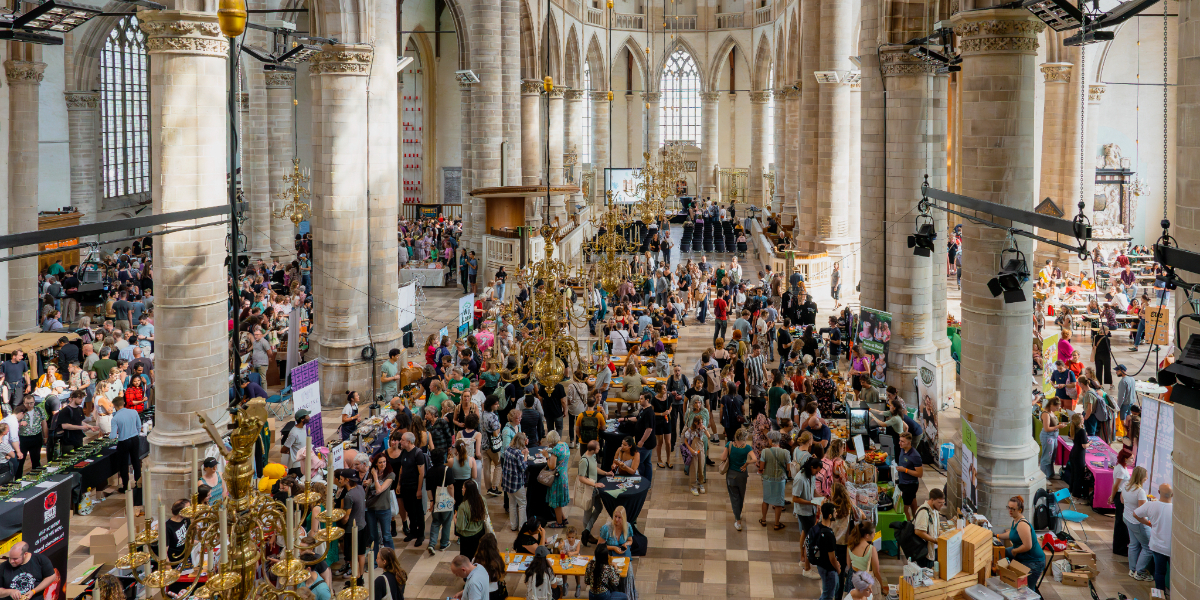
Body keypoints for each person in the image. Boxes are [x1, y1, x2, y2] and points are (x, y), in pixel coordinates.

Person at [994, 495, 1046, 594]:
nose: (1010, 511)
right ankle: (1002, 573)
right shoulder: (1015, 520)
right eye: (1008, 508)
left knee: (1027, 590)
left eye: (1013, 509)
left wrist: (1015, 550)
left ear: (1020, 510)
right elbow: (1011, 534)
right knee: (1004, 552)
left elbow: (1028, 546)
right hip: (1023, 555)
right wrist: (997, 535)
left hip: (1034, 561)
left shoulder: (1022, 524)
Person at [1134, 483, 1172, 593]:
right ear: (1172, 494)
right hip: (1172, 547)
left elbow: (1135, 514)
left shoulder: (1151, 505)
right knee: (1174, 574)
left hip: (1157, 546)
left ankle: (1159, 594)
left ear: (1159, 493)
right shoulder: (1176, 509)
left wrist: (1148, 523)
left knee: (1159, 572)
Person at [720, 427, 756, 531]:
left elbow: (723, 458)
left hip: (731, 474)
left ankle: (738, 520)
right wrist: (747, 463)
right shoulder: (747, 447)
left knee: (734, 498)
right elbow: (754, 459)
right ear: (745, 437)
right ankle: (738, 515)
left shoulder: (730, 445)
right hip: (742, 475)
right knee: (741, 496)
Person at [1122, 466, 1154, 580]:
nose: (1146, 480)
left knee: (1133, 544)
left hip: (1127, 518)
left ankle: (1132, 569)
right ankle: (1140, 572)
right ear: (1141, 478)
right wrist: (1149, 522)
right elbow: (1141, 511)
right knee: (1148, 547)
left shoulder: (1125, 485)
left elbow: (1122, 500)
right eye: (1145, 479)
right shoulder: (1140, 492)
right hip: (1138, 523)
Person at [395, 432, 426, 547]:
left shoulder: (418, 454)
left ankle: (421, 534)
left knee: (418, 510)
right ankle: (413, 531)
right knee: (409, 509)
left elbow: (421, 473)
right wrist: (399, 483)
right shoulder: (404, 452)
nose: (400, 441)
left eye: (402, 440)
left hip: (414, 486)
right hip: (405, 486)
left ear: (408, 442)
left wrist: (419, 490)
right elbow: (402, 468)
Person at [577, 440, 610, 545]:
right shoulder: (584, 460)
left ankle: (586, 531)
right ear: (593, 449)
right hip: (588, 490)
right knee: (588, 511)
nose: (599, 448)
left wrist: (606, 473)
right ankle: (587, 534)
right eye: (598, 447)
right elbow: (581, 478)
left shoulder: (593, 456)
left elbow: (595, 468)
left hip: (594, 489)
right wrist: (594, 484)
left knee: (599, 507)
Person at [807, 503, 841, 600]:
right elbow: (832, 558)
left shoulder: (816, 528)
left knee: (828, 592)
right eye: (835, 512)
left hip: (821, 565)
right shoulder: (828, 535)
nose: (836, 513)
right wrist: (838, 569)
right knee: (828, 596)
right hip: (829, 569)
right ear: (830, 516)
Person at [108, 396, 142, 492]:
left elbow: (113, 435)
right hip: (135, 439)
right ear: (123, 403)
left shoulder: (115, 418)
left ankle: (126, 486)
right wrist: (136, 434)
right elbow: (139, 426)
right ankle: (138, 483)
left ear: (114, 406)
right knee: (136, 460)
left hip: (123, 442)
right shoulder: (133, 412)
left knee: (123, 464)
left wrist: (110, 435)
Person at [847, 521, 888, 598]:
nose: (875, 535)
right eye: (873, 533)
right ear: (867, 536)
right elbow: (876, 572)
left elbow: (849, 564)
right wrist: (882, 586)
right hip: (864, 581)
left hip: (852, 578)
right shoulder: (871, 549)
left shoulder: (850, 545)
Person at [758, 430, 789, 530]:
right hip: (780, 479)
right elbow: (788, 468)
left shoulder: (765, 451)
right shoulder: (785, 452)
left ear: (771, 440)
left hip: (768, 478)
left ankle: (763, 519)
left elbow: (761, 467)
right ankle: (776, 523)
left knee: (766, 500)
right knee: (779, 502)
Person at [365, 452, 396, 551]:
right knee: (373, 537)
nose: (383, 464)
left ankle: (390, 558)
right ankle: (374, 560)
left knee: (386, 535)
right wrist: (366, 483)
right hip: (371, 508)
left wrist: (375, 477)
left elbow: (379, 490)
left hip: (383, 508)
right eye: (380, 462)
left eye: (384, 462)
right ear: (376, 464)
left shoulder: (390, 475)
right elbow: (368, 491)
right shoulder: (371, 473)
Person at [501, 432, 530, 532]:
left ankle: (513, 526)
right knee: (522, 504)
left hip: (508, 482)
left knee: (512, 504)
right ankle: (522, 527)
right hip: (517, 483)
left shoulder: (508, 449)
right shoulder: (518, 453)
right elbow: (523, 468)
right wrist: (525, 456)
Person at [541, 430, 571, 528]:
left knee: (557, 502)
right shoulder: (564, 445)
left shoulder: (555, 451)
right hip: (564, 475)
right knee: (559, 500)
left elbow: (552, 466)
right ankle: (563, 518)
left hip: (557, 478)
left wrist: (546, 456)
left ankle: (559, 523)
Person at [454, 479, 489, 559]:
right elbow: (485, 515)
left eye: (463, 488)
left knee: (467, 560)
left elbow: (461, 527)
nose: (462, 489)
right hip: (480, 532)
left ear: (468, 490)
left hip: (468, 538)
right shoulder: (482, 499)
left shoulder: (463, 506)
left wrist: (455, 519)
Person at [910, 489, 945, 568]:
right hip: (925, 552)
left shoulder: (935, 511)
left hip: (933, 550)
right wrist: (935, 540)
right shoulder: (924, 512)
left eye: (943, 503)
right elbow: (918, 532)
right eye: (939, 503)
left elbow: (936, 528)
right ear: (932, 500)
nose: (941, 505)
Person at [894, 432, 923, 519]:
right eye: (900, 441)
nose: (900, 443)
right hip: (903, 482)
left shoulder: (915, 456)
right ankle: (916, 521)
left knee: (904, 509)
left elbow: (920, 474)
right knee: (913, 503)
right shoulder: (903, 449)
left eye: (902, 441)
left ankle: (908, 526)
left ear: (909, 443)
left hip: (910, 485)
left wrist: (905, 470)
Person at [1039, 396, 1063, 479]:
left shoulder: (1051, 412)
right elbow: (1047, 428)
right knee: (1047, 456)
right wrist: (1058, 427)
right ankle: (1044, 476)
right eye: (1056, 407)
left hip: (1053, 436)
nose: (1057, 409)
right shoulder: (1046, 414)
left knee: (1052, 456)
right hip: (1048, 437)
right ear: (1051, 405)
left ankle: (1050, 474)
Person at [1067, 413, 1090, 498]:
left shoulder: (1073, 428)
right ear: (1081, 421)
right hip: (1079, 454)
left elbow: (1070, 436)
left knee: (1073, 473)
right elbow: (1084, 445)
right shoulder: (1082, 431)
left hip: (1073, 453)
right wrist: (1089, 443)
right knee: (1079, 475)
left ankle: (1071, 490)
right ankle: (1076, 494)